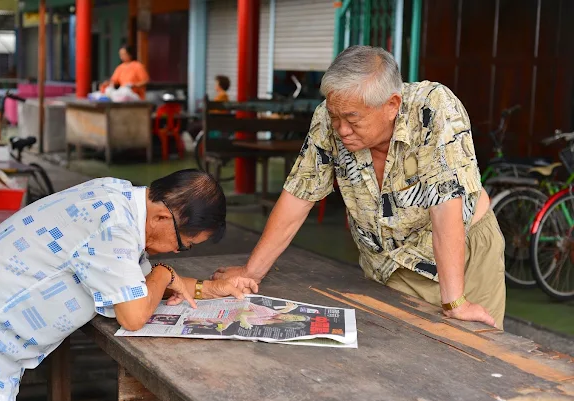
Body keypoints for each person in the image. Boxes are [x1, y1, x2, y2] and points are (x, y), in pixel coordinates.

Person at [213, 45, 506, 330]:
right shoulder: (328, 118)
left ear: (391, 105)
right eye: (335, 117)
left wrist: (455, 302)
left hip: (464, 254)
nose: (341, 129)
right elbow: (299, 194)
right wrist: (251, 273)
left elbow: (446, 207)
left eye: (353, 119)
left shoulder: (434, 108)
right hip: (390, 264)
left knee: (477, 350)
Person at [0, 170, 258, 401]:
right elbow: (134, 314)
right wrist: (165, 273)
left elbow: (136, 281)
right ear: (162, 218)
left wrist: (211, 288)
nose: (175, 253)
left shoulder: (119, 198)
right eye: (183, 245)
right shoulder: (116, 228)